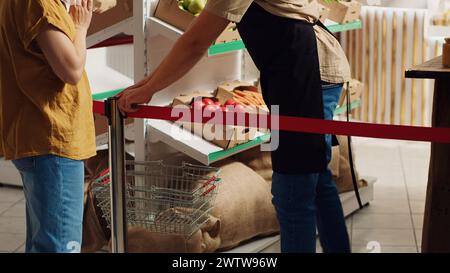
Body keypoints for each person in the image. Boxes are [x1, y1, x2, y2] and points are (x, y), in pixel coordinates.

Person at [118, 0, 351, 253]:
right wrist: (145, 87)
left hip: (306, 71)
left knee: (293, 194)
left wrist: (149, 89)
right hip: (306, 69)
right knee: (316, 183)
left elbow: (196, 43)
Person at [0, 0, 96, 253]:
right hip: (52, 136)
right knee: (59, 246)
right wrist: (81, 27)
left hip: (37, 135)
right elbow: (71, 69)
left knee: (43, 242)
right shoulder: (39, 4)